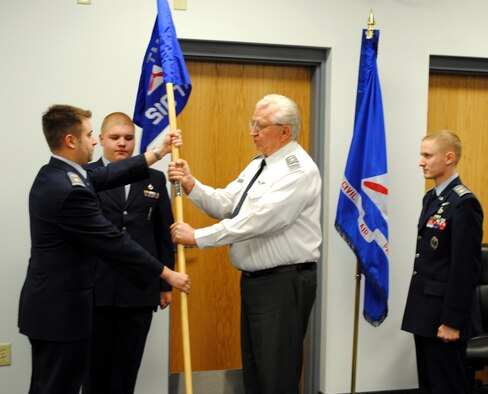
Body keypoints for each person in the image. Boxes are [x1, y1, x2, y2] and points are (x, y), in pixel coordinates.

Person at [18, 104, 190, 394]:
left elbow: (106, 176)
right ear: (71, 141)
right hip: (60, 311)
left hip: (55, 306)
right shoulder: (69, 189)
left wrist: (158, 153)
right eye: (89, 134)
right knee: (56, 386)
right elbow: (113, 241)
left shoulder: (58, 174)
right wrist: (166, 273)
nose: (95, 140)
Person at [169, 94, 322, 394]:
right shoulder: (260, 165)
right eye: (252, 123)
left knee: (276, 374)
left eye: (260, 125)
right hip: (257, 283)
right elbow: (229, 203)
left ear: (285, 131)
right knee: (256, 370)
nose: (252, 131)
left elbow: (258, 221)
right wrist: (191, 185)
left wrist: (199, 238)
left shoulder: (298, 170)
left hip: (284, 283)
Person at [82, 112, 175, 394]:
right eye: (115, 138)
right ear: (100, 140)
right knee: (94, 371)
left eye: (128, 138)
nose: (122, 143)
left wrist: (164, 283)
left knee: (126, 369)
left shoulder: (154, 179)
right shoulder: (86, 176)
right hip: (95, 289)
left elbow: (162, 233)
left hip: (138, 290)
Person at [401, 130, 483, 394]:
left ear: (449, 157)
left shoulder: (463, 203)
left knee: (448, 385)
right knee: (429, 384)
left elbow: (465, 268)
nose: (421, 162)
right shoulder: (433, 198)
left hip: (443, 316)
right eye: (421, 155)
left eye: (427, 155)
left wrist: (452, 321)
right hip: (424, 309)